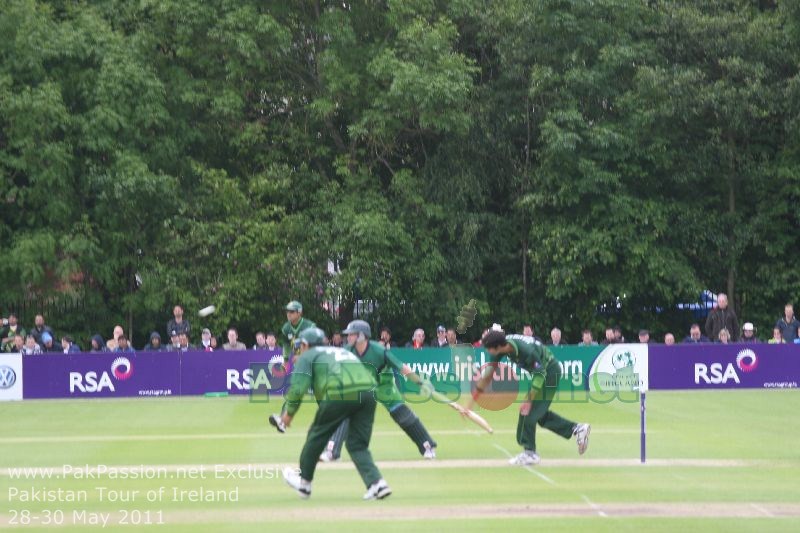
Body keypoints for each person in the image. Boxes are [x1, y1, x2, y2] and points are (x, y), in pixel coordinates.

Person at [271, 327, 391, 500]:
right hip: (369, 393)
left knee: (315, 435)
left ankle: (304, 483)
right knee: (357, 444)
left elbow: (297, 389)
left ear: (305, 344)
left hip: (340, 393)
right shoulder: (339, 350)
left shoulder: (307, 355)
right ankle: (377, 483)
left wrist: (287, 416)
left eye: (301, 346)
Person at [318, 320, 438, 463]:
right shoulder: (348, 351)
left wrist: (421, 382)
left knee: (402, 414)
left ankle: (427, 446)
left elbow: (402, 367)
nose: (348, 337)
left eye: (351, 334)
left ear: (362, 336)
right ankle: (332, 452)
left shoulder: (379, 351)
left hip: (383, 384)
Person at [466, 330, 590, 465]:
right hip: (541, 373)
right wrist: (472, 402)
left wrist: (529, 399)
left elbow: (540, 374)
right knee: (539, 415)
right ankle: (577, 429)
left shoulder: (526, 351)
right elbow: (488, 375)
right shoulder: (501, 347)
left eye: (488, 349)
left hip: (549, 372)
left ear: (498, 347)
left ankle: (530, 453)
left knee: (528, 412)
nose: (487, 352)